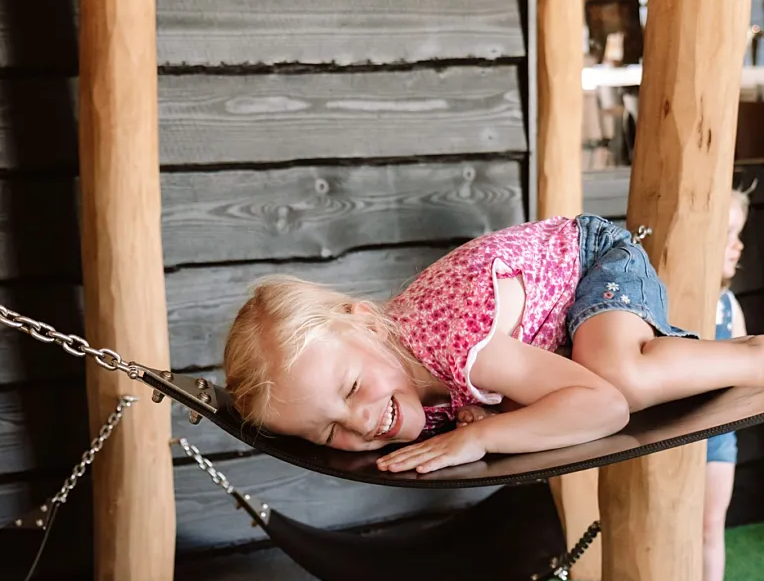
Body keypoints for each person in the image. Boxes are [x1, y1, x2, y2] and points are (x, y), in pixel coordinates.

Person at [223, 212, 763, 477]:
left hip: (592, 264)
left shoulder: (454, 340)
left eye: (352, 388)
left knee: (621, 379)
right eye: (328, 431)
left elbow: (604, 408)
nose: (361, 422)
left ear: (366, 322)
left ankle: (750, 355)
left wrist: (484, 438)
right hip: (548, 338)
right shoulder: (400, 387)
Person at [701, 189, 750, 581]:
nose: (738, 245)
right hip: (673, 436)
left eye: (740, 235)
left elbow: (744, 366)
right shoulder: (674, 296)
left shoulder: (727, 306)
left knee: (711, 524)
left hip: (718, 437)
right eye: (728, 234)